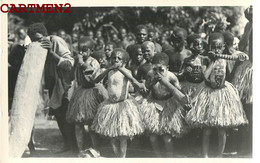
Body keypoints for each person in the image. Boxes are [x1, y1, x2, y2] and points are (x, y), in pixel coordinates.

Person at [185, 33, 248, 158]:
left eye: (219, 47)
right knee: (207, 129)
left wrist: (237, 63)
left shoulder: (226, 60)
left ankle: (219, 155)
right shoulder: (206, 60)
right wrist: (213, 62)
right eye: (213, 47)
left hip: (222, 94)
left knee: (221, 129)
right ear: (209, 47)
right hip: (208, 93)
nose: (216, 50)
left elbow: (229, 75)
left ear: (223, 46)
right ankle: (205, 155)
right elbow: (205, 76)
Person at [27, 23, 76, 153]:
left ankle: (75, 147)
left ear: (46, 35)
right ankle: (67, 144)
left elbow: (69, 64)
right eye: (33, 40)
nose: (37, 43)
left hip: (65, 83)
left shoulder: (55, 41)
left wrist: (51, 52)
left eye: (39, 39)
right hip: (52, 84)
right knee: (58, 114)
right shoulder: (37, 47)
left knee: (67, 115)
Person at [91, 48, 145, 158]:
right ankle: (117, 156)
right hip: (110, 105)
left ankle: (122, 157)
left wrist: (121, 69)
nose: (116, 60)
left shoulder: (127, 72)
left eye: (119, 59)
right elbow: (96, 80)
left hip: (122, 106)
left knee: (122, 135)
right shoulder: (109, 71)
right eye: (114, 58)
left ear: (124, 62)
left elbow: (133, 80)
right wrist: (108, 70)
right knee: (112, 135)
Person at [66, 37, 108, 157]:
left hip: (93, 92)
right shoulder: (78, 60)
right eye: (80, 50)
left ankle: (96, 149)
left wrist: (82, 64)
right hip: (81, 92)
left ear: (91, 50)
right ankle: (80, 149)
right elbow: (74, 75)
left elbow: (94, 77)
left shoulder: (93, 62)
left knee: (91, 124)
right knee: (78, 124)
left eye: (85, 50)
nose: (82, 53)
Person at [140, 53, 188, 157]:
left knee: (167, 137)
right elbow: (145, 91)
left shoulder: (171, 76)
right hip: (153, 104)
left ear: (167, 68)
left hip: (168, 105)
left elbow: (179, 91)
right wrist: (152, 82)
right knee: (153, 137)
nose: (157, 72)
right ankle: (158, 157)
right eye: (155, 69)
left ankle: (169, 157)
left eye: (161, 69)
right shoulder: (150, 74)